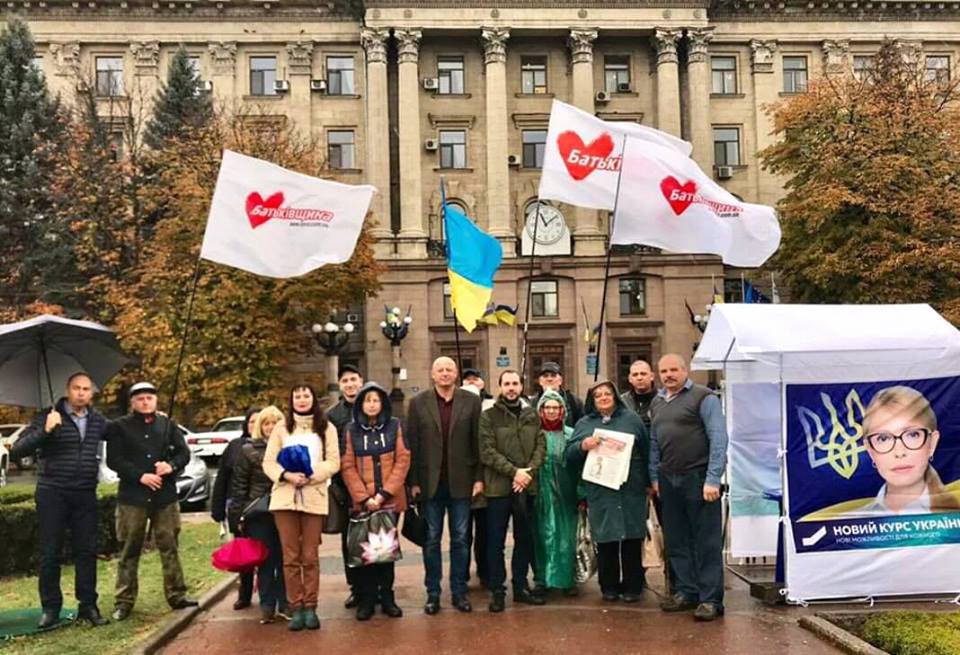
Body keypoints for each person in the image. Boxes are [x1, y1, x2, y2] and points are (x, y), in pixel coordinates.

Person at [11, 372, 110, 628]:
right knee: (50, 553)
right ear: (68, 390)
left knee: (87, 552)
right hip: (52, 492)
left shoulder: (98, 420)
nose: (81, 393)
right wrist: (45, 430)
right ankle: (51, 609)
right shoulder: (48, 415)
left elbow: (123, 435)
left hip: (84, 492)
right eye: (76, 388)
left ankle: (88, 606)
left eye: (86, 389)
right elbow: (19, 450)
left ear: (91, 393)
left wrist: (152, 421)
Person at [107, 382, 198, 621]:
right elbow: (113, 460)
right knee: (129, 549)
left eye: (149, 398)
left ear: (156, 400)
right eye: (140, 399)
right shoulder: (120, 427)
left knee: (170, 546)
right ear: (132, 403)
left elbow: (183, 453)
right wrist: (140, 475)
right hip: (132, 497)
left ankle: (177, 594)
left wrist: (171, 465)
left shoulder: (168, 425)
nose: (145, 402)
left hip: (164, 497)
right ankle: (124, 601)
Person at [650, 354, 728, 622]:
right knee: (677, 540)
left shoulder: (704, 398)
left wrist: (713, 478)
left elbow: (718, 438)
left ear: (685, 371)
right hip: (668, 480)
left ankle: (710, 599)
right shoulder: (658, 402)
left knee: (705, 541)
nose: (669, 374)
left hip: (699, 478)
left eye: (674, 369)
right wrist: (655, 477)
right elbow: (654, 442)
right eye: (664, 370)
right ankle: (687, 591)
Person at [803, 385, 960, 519]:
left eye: (912, 435)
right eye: (883, 438)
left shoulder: (954, 514)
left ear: (932, 443)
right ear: (870, 450)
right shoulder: (850, 523)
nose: (899, 452)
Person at [406, 356, 484, 615]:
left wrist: (479, 477)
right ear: (432, 374)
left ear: (456, 373)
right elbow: (413, 445)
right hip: (430, 485)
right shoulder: (418, 404)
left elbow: (478, 442)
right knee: (431, 540)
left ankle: (459, 591)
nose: (445, 374)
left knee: (461, 539)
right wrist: (413, 481)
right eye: (440, 370)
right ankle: (433, 593)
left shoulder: (471, 402)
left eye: (449, 369)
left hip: (462, 483)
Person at [262, 384, 340, 631]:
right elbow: (269, 462)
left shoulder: (326, 427)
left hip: (314, 496)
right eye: (297, 395)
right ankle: (295, 607)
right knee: (290, 556)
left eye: (306, 395)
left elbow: (333, 461)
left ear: (313, 399)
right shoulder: (281, 428)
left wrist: (312, 475)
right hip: (285, 498)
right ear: (291, 399)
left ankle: (311, 606)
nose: (302, 399)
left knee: (310, 556)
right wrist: (286, 475)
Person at [565, 381, 651, 604]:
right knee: (606, 539)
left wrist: (650, 483)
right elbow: (569, 455)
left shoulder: (632, 419)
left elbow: (647, 450)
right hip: (601, 490)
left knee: (632, 537)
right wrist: (583, 445)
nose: (603, 398)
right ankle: (609, 586)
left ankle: (633, 585)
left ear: (615, 396)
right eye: (598, 395)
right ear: (592, 401)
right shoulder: (584, 423)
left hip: (630, 488)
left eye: (607, 394)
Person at [340, 383, 411, 621]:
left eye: (376, 400)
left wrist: (384, 494)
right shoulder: (351, 430)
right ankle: (368, 599)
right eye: (367, 400)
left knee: (386, 551)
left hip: (388, 500)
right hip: (364, 503)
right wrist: (364, 497)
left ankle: (388, 597)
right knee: (367, 553)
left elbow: (402, 460)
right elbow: (347, 465)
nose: (371, 404)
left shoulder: (394, 426)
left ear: (383, 404)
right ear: (361, 404)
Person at [480, 369, 546, 612]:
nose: (511, 387)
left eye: (515, 383)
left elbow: (541, 444)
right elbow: (486, 451)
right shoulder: (488, 416)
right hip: (499, 489)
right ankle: (498, 590)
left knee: (524, 539)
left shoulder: (531, 414)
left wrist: (528, 472)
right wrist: (514, 472)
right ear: (500, 387)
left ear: (521, 386)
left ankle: (521, 586)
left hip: (526, 488)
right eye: (506, 383)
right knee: (495, 541)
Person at [229, 406, 289, 624]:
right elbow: (239, 486)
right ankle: (266, 606)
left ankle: (285, 603)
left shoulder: (288, 446)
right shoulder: (248, 450)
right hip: (258, 512)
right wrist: (236, 518)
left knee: (285, 559)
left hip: (285, 508)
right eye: (266, 423)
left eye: (275, 422)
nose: (270, 427)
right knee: (264, 561)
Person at [211, 406, 259, 610]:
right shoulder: (234, 446)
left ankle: (267, 593)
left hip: (262, 505)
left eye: (260, 421)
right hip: (238, 505)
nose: (255, 425)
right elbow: (222, 477)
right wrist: (218, 507)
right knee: (244, 551)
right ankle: (244, 594)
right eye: (251, 422)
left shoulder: (273, 445)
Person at [532, 390, 579, 596]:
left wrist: (581, 493)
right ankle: (542, 579)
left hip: (566, 495)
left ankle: (567, 580)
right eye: (547, 407)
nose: (551, 411)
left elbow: (579, 466)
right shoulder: (533, 435)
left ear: (562, 410)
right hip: (540, 495)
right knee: (541, 537)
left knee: (567, 538)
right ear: (541, 410)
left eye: (555, 407)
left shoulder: (571, 434)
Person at [326, 364, 364, 609]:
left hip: (373, 483)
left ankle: (380, 588)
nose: (350, 384)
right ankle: (356, 588)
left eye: (353, 379)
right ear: (340, 386)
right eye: (345, 381)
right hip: (344, 487)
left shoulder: (372, 405)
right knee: (349, 540)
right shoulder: (333, 415)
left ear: (361, 381)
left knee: (377, 536)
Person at [532, 361, 583, 429]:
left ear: (560, 380)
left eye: (553, 375)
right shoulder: (532, 403)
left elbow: (581, 426)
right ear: (540, 381)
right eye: (545, 376)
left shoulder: (573, 401)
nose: (549, 379)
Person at [621, 359, 657, 429]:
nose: (639, 378)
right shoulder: (622, 401)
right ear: (630, 379)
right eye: (635, 375)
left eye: (643, 374)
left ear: (652, 376)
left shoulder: (662, 400)